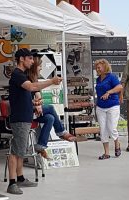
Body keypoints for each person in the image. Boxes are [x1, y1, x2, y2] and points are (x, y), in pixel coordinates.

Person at [7, 48, 63, 195]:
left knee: (20, 150)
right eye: (30, 58)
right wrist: (51, 81)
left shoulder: (22, 75)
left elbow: (26, 93)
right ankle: (12, 183)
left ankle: (20, 178)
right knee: (15, 151)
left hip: (25, 117)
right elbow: (31, 87)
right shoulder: (17, 75)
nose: (32, 61)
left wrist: (34, 104)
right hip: (19, 118)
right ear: (21, 59)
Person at [27, 53, 77, 159]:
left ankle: (40, 145)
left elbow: (37, 94)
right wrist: (36, 104)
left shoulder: (33, 78)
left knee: (50, 118)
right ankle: (61, 132)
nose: (41, 68)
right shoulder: (26, 79)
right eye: (40, 66)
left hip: (33, 111)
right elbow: (26, 98)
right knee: (50, 108)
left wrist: (39, 104)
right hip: (26, 111)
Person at [94, 59, 122, 160]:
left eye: (99, 67)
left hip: (112, 106)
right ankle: (106, 153)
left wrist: (109, 92)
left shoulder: (112, 77)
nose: (97, 69)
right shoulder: (98, 79)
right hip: (100, 107)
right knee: (103, 130)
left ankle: (117, 144)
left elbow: (119, 87)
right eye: (96, 67)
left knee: (111, 128)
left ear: (105, 67)